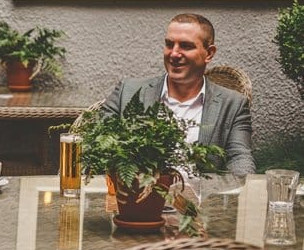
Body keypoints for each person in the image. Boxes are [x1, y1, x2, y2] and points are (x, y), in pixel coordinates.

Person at [101, 13, 255, 175]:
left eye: (186, 46)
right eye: (169, 44)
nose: (174, 54)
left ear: (209, 53)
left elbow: (239, 158)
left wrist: (245, 186)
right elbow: (96, 146)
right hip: (138, 190)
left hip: (201, 191)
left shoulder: (233, 104)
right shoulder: (127, 92)